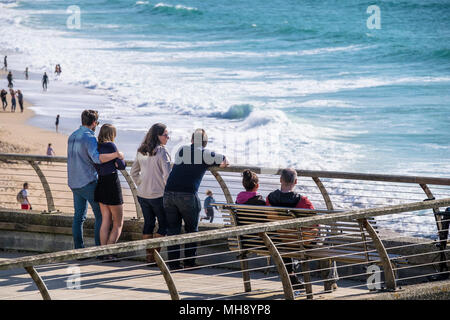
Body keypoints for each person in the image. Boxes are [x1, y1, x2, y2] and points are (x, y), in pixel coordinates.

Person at [163, 128, 229, 270]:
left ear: (192, 140)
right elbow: (224, 162)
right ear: (205, 143)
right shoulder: (206, 154)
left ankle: (173, 265)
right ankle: (189, 263)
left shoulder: (181, 150)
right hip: (187, 195)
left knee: (173, 230)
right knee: (191, 230)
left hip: (168, 193)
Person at [266, 168, 337, 292]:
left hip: (280, 240)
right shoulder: (302, 201)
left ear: (281, 180)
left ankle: (292, 274)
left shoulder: (270, 199)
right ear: (296, 181)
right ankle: (330, 281)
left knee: (289, 234)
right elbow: (315, 222)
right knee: (327, 236)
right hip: (302, 243)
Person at [67, 110, 123, 249]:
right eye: (96, 123)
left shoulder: (72, 135)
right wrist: (116, 154)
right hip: (87, 181)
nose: (96, 126)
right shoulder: (89, 137)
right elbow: (97, 158)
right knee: (102, 217)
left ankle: (79, 249)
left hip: (73, 181)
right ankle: (99, 249)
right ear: (93, 123)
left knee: (78, 217)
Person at [130, 123, 171, 264]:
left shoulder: (142, 150)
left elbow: (133, 172)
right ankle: (155, 256)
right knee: (164, 224)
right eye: (166, 135)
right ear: (158, 136)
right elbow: (167, 175)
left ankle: (149, 257)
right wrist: (168, 191)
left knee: (148, 223)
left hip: (143, 195)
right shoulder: (162, 151)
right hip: (158, 195)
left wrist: (142, 183)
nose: (168, 137)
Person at [94, 124, 126, 261]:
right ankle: (109, 252)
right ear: (111, 134)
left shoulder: (97, 147)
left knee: (105, 219)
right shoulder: (111, 146)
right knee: (118, 222)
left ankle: (102, 251)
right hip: (112, 183)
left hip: (101, 182)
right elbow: (122, 165)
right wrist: (121, 156)